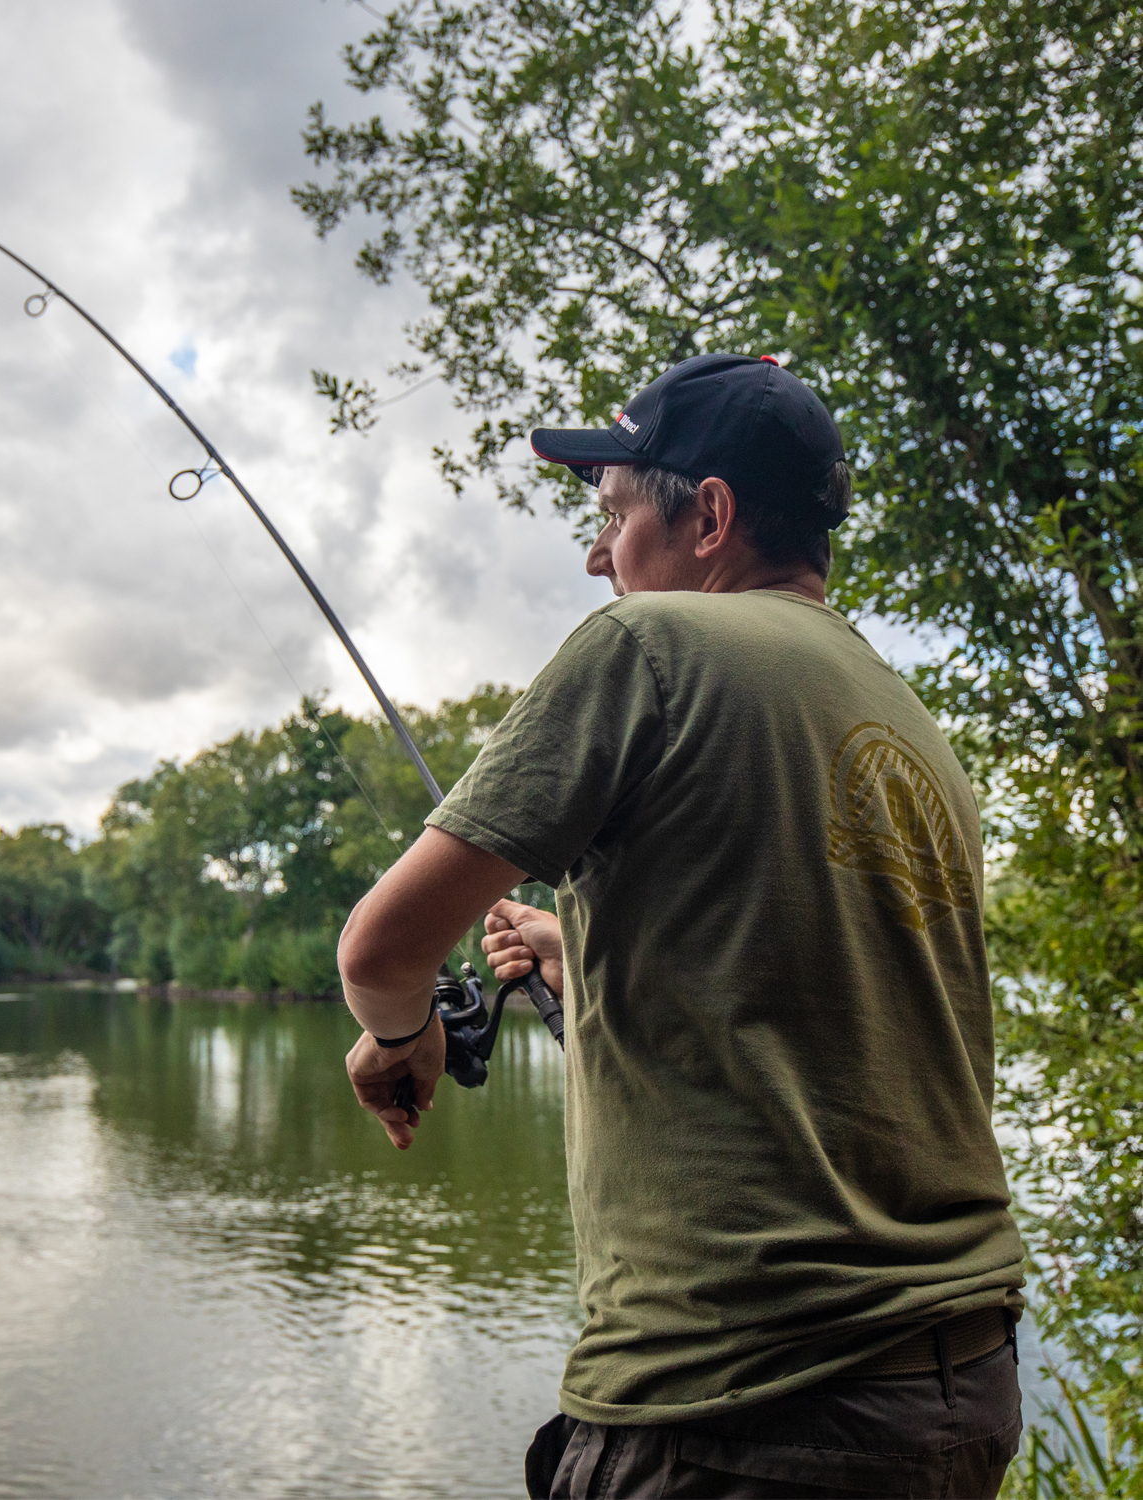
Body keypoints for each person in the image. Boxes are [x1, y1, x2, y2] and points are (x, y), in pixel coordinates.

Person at [336, 353, 1026, 1499]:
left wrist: (403, 1035)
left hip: (740, 1402)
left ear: (708, 516)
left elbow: (381, 951)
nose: (599, 556)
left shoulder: (648, 648)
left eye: (611, 518)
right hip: (953, 1385)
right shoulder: (905, 718)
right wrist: (585, 956)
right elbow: (812, 986)